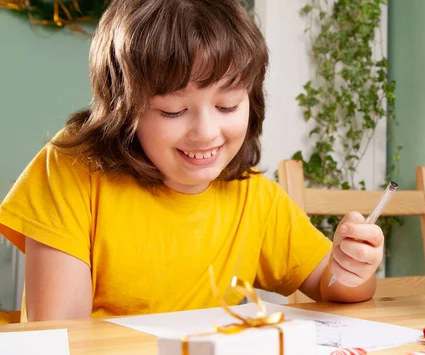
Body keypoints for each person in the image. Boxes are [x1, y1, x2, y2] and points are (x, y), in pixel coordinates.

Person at [0, 0, 384, 322]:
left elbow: (333, 289)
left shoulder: (254, 198)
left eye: (227, 105)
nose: (205, 131)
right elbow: (60, 334)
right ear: (122, 111)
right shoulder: (71, 170)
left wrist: (352, 267)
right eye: (172, 111)